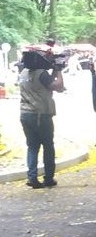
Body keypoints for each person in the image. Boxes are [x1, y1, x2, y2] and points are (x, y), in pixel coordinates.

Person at [19, 39, 65, 189]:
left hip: (25, 114)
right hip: (41, 115)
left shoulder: (23, 73)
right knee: (48, 146)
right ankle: (48, 178)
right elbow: (59, 87)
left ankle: (32, 177)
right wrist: (58, 70)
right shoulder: (42, 74)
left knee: (32, 146)